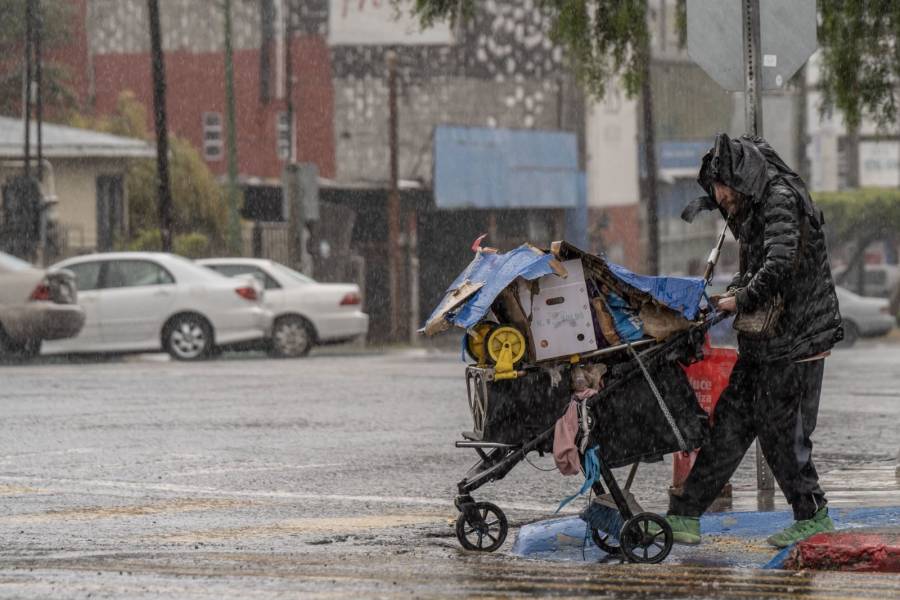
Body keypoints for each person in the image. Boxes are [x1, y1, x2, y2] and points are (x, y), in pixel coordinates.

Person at [663, 133, 844, 548]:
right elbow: (762, 266)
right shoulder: (754, 207)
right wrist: (731, 295)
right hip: (766, 343)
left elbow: (780, 263)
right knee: (729, 425)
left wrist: (739, 298)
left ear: (738, 178)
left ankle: (812, 514)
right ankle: (686, 514)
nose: (719, 197)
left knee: (780, 432)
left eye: (721, 188)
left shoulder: (779, 198)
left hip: (795, 342)